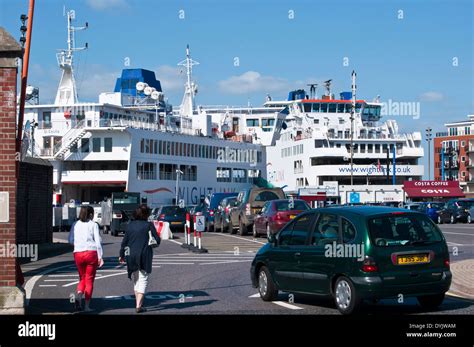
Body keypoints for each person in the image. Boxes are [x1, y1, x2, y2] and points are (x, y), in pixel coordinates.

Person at [119, 204, 160, 313]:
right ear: (146, 214)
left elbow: (124, 242)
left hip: (131, 255)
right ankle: (138, 305)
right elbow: (157, 240)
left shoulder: (130, 225)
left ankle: (138, 304)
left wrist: (121, 254)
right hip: (144, 254)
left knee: (136, 279)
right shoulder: (148, 225)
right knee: (143, 279)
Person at [68, 206, 104, 312]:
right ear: (91, 214)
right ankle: (87, 306)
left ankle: (79, 297)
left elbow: (71, 240)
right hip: (91, 252)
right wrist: (100, 257)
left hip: (78, 253)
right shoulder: (93, 225)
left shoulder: (75, 224)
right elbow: (97, 242)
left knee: (82, 277)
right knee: (89, 279)